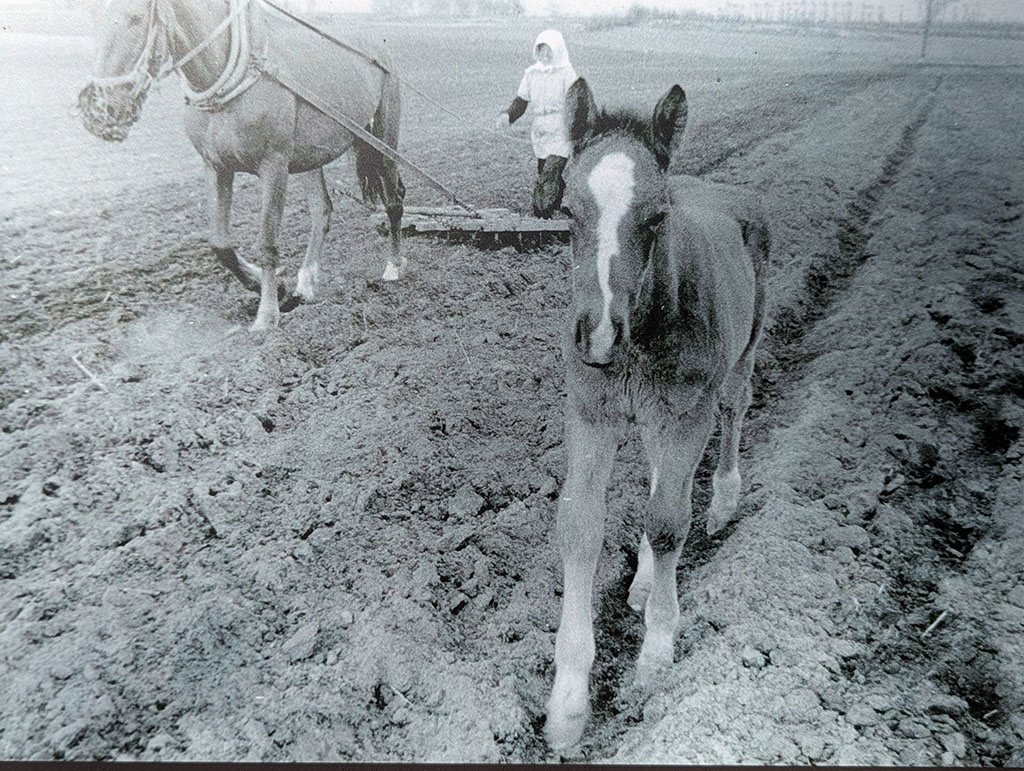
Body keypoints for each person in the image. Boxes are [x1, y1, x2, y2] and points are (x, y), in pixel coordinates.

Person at [495, 30, 577, 219]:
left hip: (560, 129)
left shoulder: (566, 73)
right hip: (540, 130)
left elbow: (575, 102)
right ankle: (555, 207)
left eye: (550, 51)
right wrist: (508, 116)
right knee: (545, 171)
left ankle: (542, 212)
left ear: (558, 51)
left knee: (550, 171)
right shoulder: (532, 74)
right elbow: (521, 101)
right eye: (542, 51)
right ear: (537, 52)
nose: (546, 56)